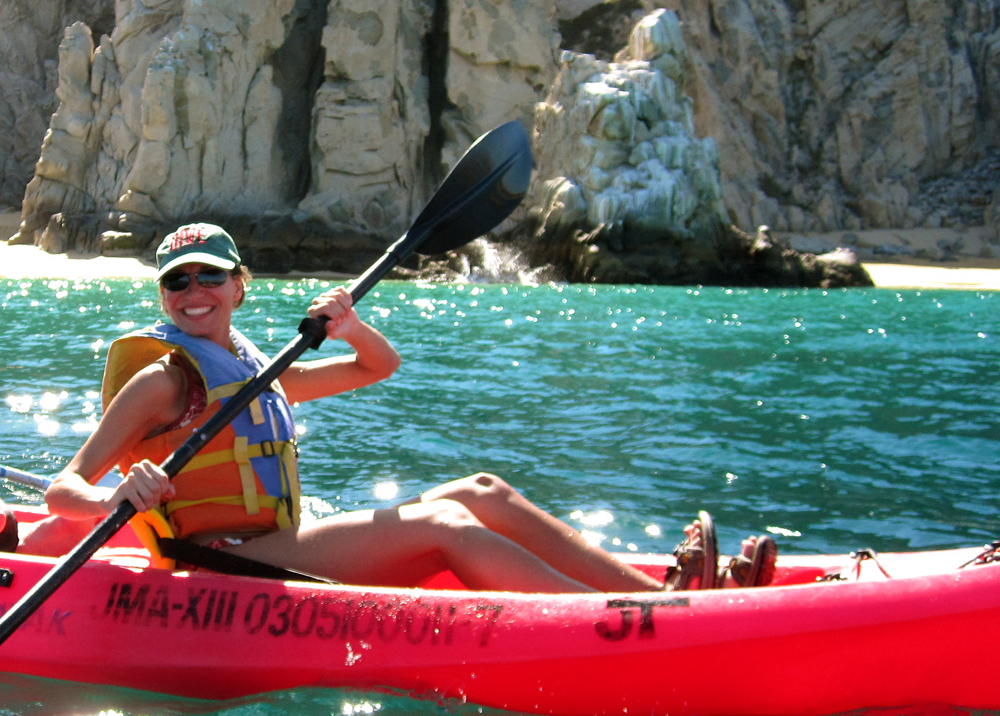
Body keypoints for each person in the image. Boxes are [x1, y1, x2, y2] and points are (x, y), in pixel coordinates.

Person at [17, 223, 775, 592]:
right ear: (162, 296)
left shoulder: (252, 370)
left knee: (479, 491)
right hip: (222, 564)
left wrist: (348, 326)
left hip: (279, 541)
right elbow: (65, 487)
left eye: (208, 277)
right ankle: (627, 626)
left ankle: (656, 599)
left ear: (240, 284)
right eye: (177, 283)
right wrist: (115, 491)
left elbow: (379, 366)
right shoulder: (162, 383)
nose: (193, 294)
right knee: (444, 527)